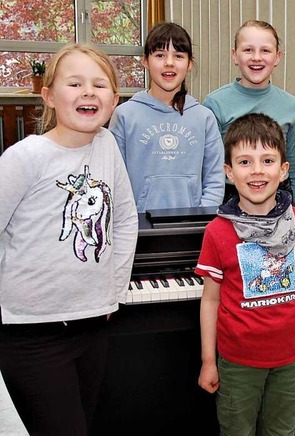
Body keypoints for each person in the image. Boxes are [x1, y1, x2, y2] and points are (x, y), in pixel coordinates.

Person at [0, 43, 138, 435]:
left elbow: (124, 219)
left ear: (114, 99)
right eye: (74, 83)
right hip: (32, 333)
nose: (88, 92)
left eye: (99, 84)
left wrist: (113, 290)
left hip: (92, 324)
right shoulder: (24, 158)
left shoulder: (107, 145)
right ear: (48, 95)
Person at [196, 113, 295, 435]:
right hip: (238, 362)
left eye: (267, 160)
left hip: (290, 358)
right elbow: (210, 301)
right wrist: (208, 360)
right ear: (229, 172)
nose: (257, 171)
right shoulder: (217, 231)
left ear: (284, 170)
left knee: (281, 431)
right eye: (244, 162)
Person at [110, 21, 225, 212]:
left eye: (178, 56)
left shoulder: (204, 117)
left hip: (193, 226)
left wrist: (202, 216)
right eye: (160, 55)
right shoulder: (125, 115)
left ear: (189, 64)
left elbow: (214, 177)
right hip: (138, 226)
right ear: (145, 61)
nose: (169, 62)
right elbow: (114, 177)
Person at [203, 20, 295, 203]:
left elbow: (293, 167)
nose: (256, 57)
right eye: (248, 50)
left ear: (277, 57)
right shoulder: (215, 103)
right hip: (230, 196)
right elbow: (210, 169)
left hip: (278, 195)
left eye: (265, 50)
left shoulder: (291, 105)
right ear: (234, 55)